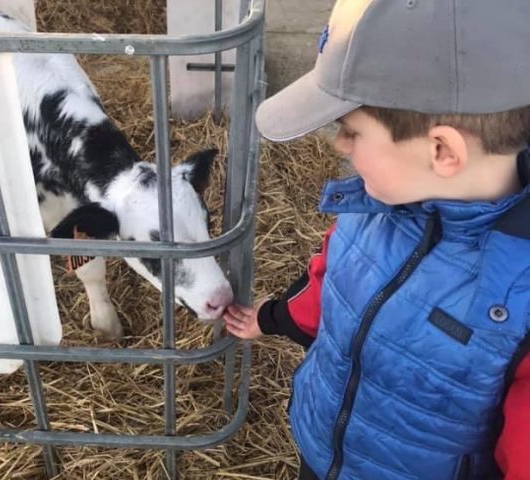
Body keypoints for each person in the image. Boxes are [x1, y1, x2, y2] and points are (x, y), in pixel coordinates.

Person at [222, 1, 530, 478]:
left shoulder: (519, 303)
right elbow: (332, 284)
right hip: (321, 449)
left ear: (442, 150)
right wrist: (272, 317)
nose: (340, 145)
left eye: (351, 131)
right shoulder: (371, 207)